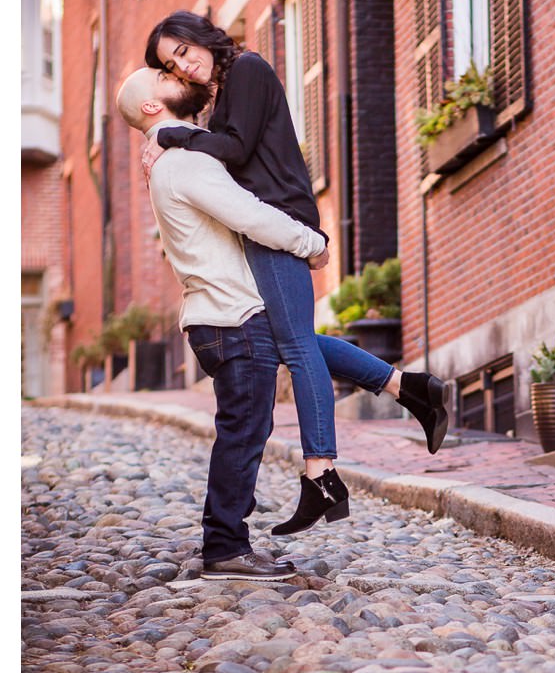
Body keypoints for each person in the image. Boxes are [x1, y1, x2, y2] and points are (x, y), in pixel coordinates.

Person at [140, 10, 451, 530]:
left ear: (203, 37)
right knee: (291, 339)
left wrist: (172, 134)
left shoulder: (250, 69)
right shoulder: (224, 91)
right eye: (174, 64)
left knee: (296, 347)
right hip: (265, 222)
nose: (187, 65)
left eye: (185, 50)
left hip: (278, 218)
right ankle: (410, 388)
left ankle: (322, 474)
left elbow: (236, 150)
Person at [115, 65, 390, 576]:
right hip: (232, 318)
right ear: (153, 107)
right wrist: (313, 244)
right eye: (163, 73)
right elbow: (250, 214)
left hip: (220, 317)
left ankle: (402, 385)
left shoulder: (179, 155)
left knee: (249, 421)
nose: (176, 72)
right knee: (243, 432)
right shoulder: (184, 162)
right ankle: (224, 547)